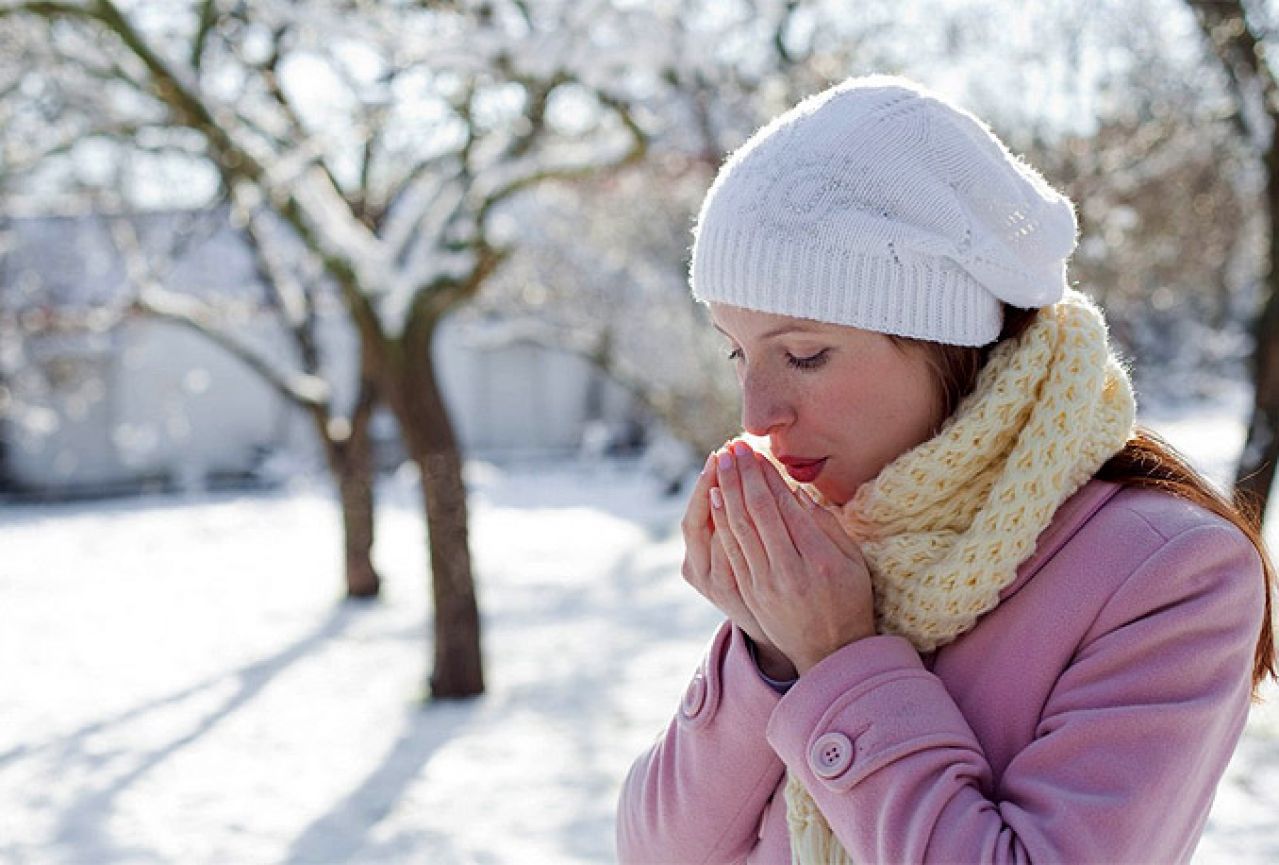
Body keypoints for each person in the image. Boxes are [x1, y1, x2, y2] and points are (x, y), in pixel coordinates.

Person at [616, 75, 1278, 865]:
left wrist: (836, 659)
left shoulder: (1168, 573)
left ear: (945, 341)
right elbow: (659, 853)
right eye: (737, 353)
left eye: (803, 354)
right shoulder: (840, 530)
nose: (756, 413)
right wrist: (765, 650)